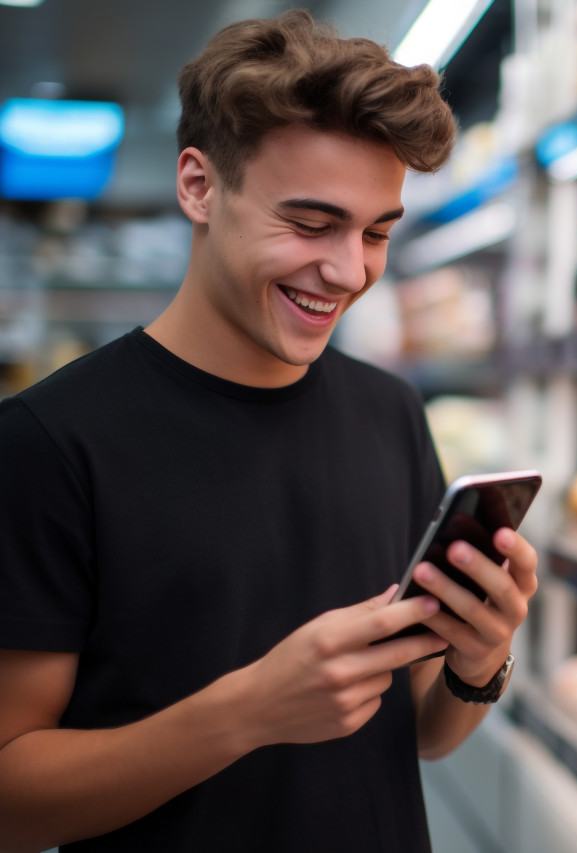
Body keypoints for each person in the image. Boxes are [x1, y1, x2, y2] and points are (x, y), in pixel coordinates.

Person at [0, 11, 537, 852]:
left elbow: (422, 732)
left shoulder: (390, 413)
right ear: (198, 187)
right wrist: (247, 711)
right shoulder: (46, 441)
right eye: (311, 223)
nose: (349, 269)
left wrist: (479, 660)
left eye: (377, 232)